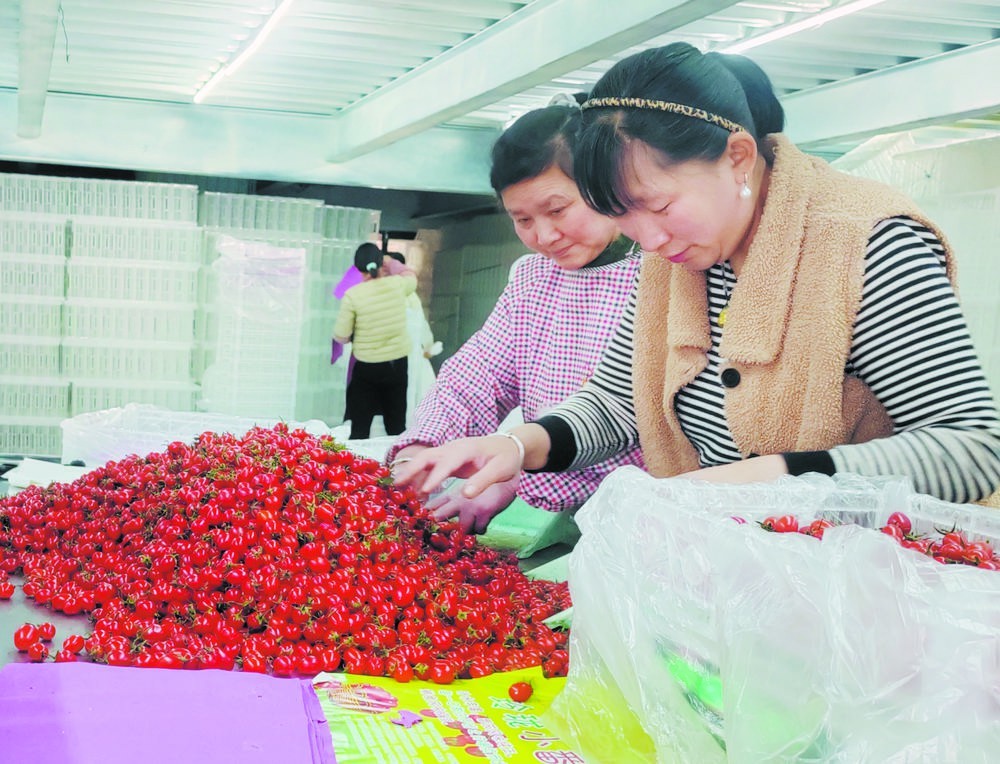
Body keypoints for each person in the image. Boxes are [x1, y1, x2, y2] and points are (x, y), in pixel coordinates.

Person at [394, 42, 1000, 507]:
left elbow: (974, 450)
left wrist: (773, 477)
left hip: (852, 588)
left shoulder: (866, 242)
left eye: (657, 206)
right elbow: (616, 404)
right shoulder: (675, 261)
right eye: (624, 217)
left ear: (737, 156)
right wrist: (519, 445)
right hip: (724, 573)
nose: (649, 240)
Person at [385, 99, 645, 533]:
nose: (544, 236)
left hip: (641, 520)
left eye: (558, 210)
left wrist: (516, 474)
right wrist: (420, 451)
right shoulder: (532, 279)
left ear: (607, 185)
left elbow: (632, 418)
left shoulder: (661, 275)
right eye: (522, 219)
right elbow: (475, 379)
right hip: (549, 506)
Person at [333, 242, 416, 440]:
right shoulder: (398, 285)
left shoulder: (353, 295)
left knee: (360, 427)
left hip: (367, 367)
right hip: (396, 365)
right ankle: (396, 468)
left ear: (358, 268)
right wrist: (390, 262)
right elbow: (410, 275)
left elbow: (341, 336)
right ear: (381, 264)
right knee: (396, 426)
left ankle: (354, 468)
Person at [385, 251, 441, 426]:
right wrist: (428, 349)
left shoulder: (385, 294)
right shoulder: (411, 297)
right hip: (410, 358)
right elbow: (424, 330)